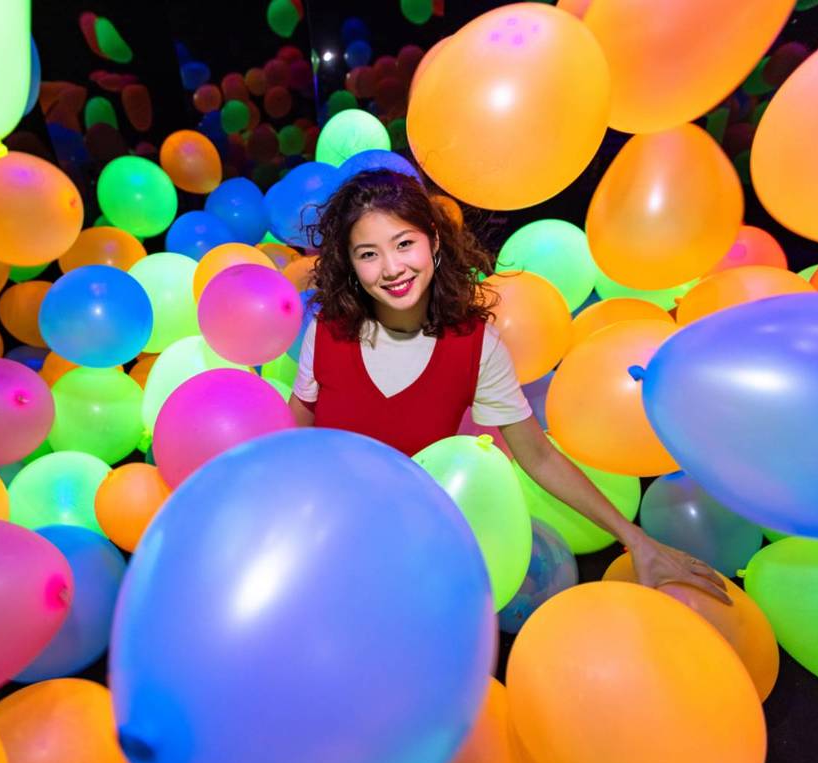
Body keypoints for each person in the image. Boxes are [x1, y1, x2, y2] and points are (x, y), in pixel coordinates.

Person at [288, 169, 730, 604]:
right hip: (328, 534)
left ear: (434, 243)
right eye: (368, 254)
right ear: (350, 262)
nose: (391, 268)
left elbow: (537, 456)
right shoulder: (328, 331)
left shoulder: (476, 346)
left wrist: (636, 540)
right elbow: (296, 431)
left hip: (410, 549)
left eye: (404, 244)